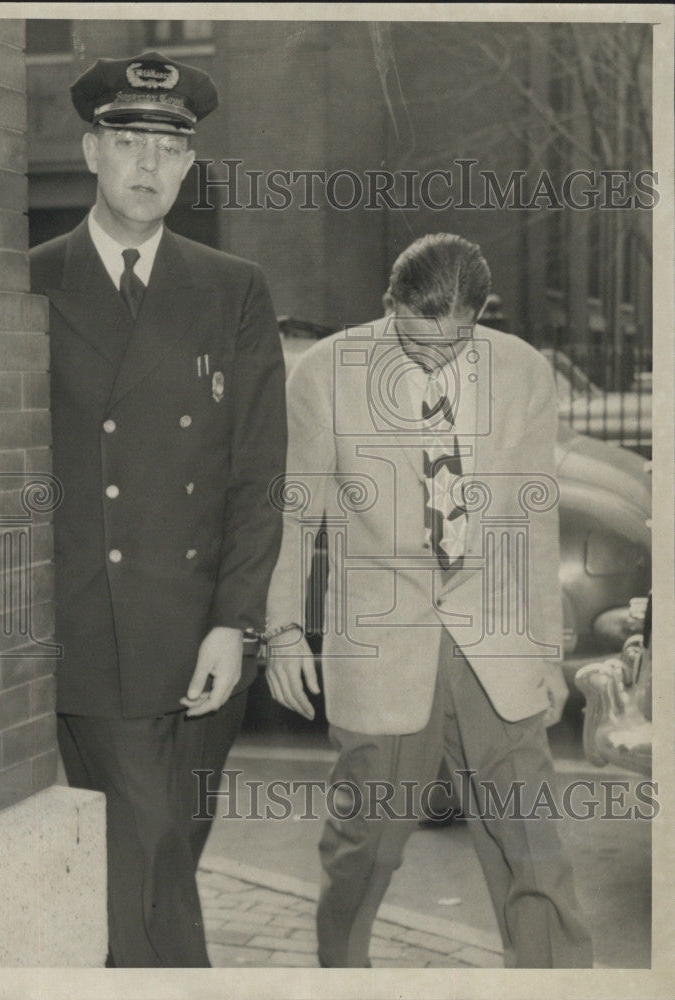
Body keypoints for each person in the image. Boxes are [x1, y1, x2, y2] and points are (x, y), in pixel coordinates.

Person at [265, 233, 592, 968]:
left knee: (534, 855)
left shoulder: (524, 373)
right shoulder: (325, 374)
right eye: (414, 344)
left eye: (451, 345)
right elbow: (293, 510)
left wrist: (545, 652)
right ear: (388, 306)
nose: (431, 361)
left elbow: (531, 519)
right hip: (381, 647)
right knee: (365, 854)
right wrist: (283, 628)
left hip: (497, 648)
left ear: (479, 318)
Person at [29, 52, 286, 967]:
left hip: (205, 646)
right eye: (129, 141)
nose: (148, 166)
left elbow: (258, 474)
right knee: (150, 873)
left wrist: (233, 622)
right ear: (90, 149)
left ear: (189, 166)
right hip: (95, 635)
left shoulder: (232, 288)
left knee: (161, 863)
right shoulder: (34, 281)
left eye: (169, 150)